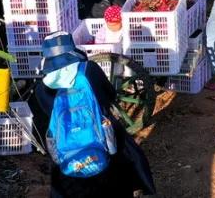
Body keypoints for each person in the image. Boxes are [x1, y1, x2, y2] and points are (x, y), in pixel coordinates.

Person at [32, 32, 156, 197]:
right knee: (126, 157)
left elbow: (44, 123)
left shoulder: (41, 88)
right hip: (103, 145)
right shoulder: (88, 70)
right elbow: (109, 94)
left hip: (68, 156)